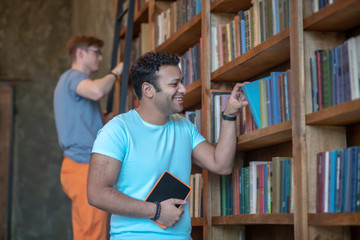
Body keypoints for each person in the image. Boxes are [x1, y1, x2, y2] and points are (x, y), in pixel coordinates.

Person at [87, 51, 247, 239]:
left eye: (182, 81)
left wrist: (230, 115)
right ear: (148, 90)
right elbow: (96, 193)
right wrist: (156, 211)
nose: (183, 89)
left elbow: (221, 164)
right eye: (174, 84)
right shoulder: (116, 130)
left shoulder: (184, 126)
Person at [54, 35, 123, 240]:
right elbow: (97, 90)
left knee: (87, 231)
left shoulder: (71, 84)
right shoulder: (73, 77)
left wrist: (101, 119)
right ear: (80, 53)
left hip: (80, 166)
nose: (100, 58)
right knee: (93, 233)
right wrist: (116, 72)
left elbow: (81, 120)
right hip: (82, 166)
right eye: (96, 52)